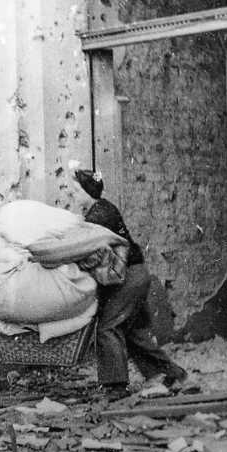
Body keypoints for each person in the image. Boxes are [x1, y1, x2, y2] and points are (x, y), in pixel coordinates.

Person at [72, 169, 187, 399]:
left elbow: (82, 247)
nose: (72, 195)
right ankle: (171, 373)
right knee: (133, 333)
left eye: (75, 190)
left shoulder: (98, 216)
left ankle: (115, 386)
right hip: (134, 275)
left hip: (129, 278)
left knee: (108, 327)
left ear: (86, 192)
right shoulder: (103, 208)